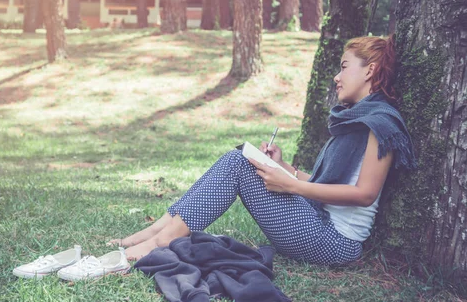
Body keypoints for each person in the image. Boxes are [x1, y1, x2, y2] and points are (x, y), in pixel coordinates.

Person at [112, 35, 416, 264]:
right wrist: (284, 168)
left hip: (335, 244)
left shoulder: (382, 125)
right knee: (238, 157)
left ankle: (163, 239)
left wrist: (292, 185)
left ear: (369, 70)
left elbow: (365, 195)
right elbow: (327, 185)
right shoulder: (358, 120)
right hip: (316, 221)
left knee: (237, 165)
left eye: (344, 67)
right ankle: (158, 231)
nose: (337, 76)